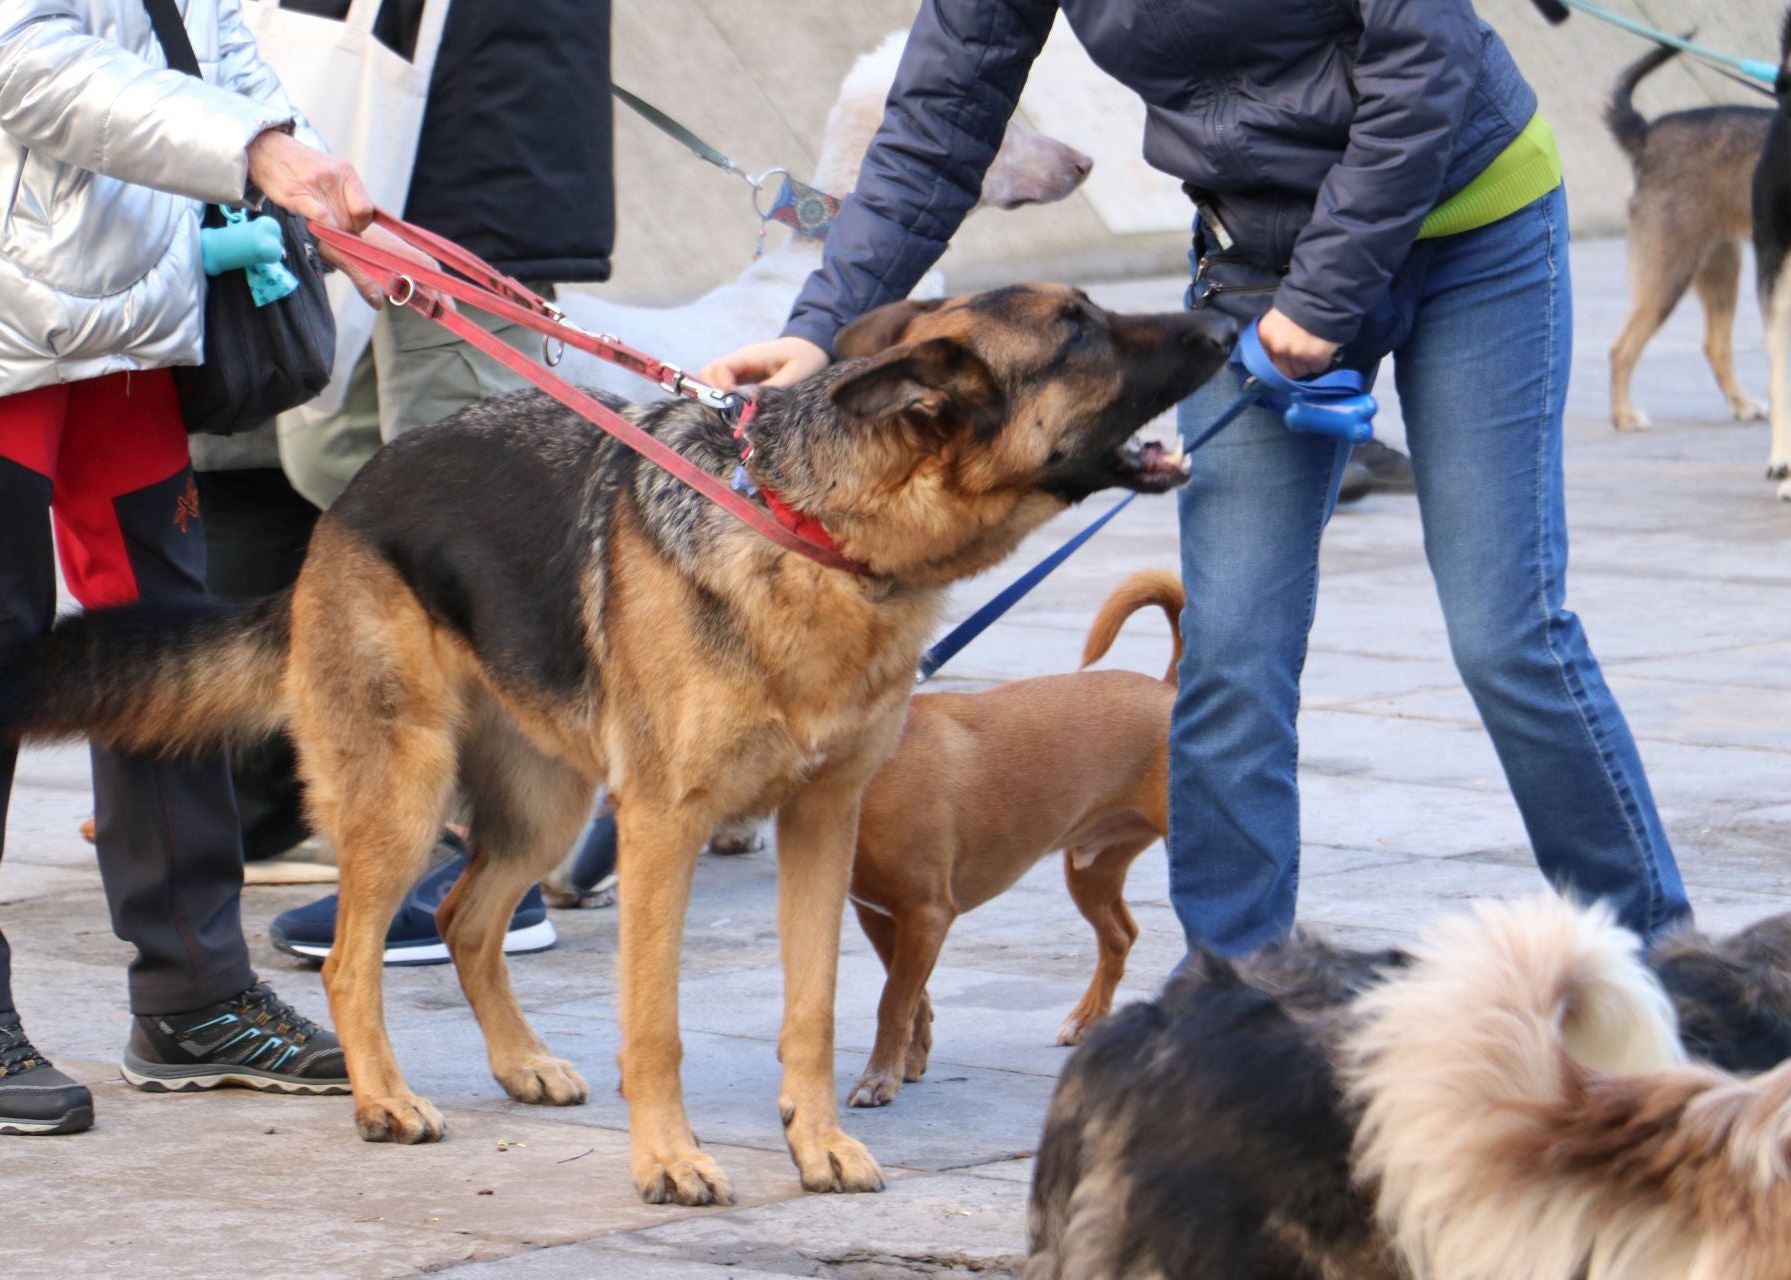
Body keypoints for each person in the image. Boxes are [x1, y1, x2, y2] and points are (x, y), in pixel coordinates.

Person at [702, 0, 1693, 958]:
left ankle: (1661, 966)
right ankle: (1235, 991)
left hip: (1473, 228)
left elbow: (1421, 62)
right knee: (1232, 649)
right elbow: (942, 117)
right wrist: (819, 328)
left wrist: (1328, 292)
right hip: (1261, 254)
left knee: (1507, 634)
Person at [0, 0, 402, 1136]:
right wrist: (256, 150)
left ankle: (193, 991)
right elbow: (26, 57)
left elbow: (213, 37)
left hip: (128, 298)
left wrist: (312, 181)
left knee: (170, 636)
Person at [258, 0, 619, 965]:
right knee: (335, 469)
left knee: (485, 546)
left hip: (476, 165)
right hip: (378, 151)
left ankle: (496, 853)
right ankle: (463, 809)